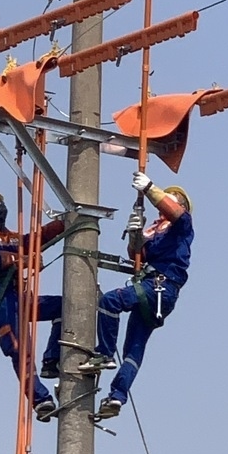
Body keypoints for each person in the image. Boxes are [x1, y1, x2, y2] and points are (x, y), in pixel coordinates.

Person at [78, 171, 194, 419]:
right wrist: (134, 235)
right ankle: (117, 397)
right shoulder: (156, 230)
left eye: (170, 198)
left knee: (110, 301)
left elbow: (176, 213)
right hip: (156, 291)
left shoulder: (181, 226)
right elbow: (137, 254)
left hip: (159, 287)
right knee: (134, 349)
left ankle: (104, 354)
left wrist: (151, 188)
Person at [0, 191, 64, 421]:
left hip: (18, 294)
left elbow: (33, 240)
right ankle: (41, 400)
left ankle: (51, 359)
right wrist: (24, 260)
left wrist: (61, 224)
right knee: (19, 347)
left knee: (64, 307)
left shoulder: (11, 237)